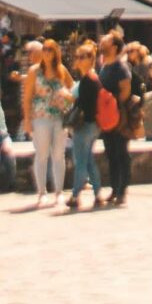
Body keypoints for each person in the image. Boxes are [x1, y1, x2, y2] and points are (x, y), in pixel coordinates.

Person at [24, 43, 73, 205]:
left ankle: (59, 191)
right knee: (42, 154)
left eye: (50, 49)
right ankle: (42, 192)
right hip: (40, 116)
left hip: (59, 116)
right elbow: (27, 97)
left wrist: (66, 96)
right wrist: (27, 120)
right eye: (44, 49)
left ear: (55, 52)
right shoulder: (34, 71)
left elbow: (72, 86)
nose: (46, 52)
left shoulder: (61, 69)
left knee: (59, 155)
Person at [67, 43, 105, 211]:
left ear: (91, 59)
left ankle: (75, 195)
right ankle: (98, 194)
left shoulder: (87, 80)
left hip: (85, 125)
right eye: (77, 56)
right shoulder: (94, 78)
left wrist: (69, 99)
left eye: (82, 57)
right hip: (94, 125)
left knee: (81, 162)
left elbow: (82, 105)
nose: (78, 60)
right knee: (89, 161)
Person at [99, 34, 135, 206]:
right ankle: (114, 188)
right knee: (111, 153)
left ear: (114, 47)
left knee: (121, 153)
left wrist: (114, 107)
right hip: (106, 116)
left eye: (105, 42)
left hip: (119, 116)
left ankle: (122, 190)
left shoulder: (121, 67)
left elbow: (125, 90)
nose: (101, 45)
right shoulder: (104, 66)